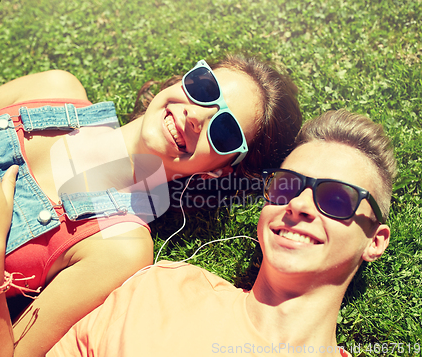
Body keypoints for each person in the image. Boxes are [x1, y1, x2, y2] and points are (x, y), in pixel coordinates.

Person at [0, 55, 302, 356]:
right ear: (181, 80)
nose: (195, 115)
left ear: (216, 172)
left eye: (224, 130)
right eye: (203, 88)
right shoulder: (54, 87)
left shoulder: (121, 246)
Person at [46, 109, 396, 357]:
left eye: (336, 198)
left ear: (375, 240)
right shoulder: (159, 291)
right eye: (286, 186)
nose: (300, 205)